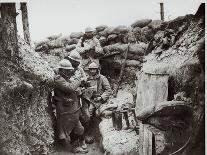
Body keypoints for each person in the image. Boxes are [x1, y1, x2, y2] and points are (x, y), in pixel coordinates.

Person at [53, 59, 88, 154]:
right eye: (68, 70)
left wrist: (78, 91)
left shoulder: (65, 78)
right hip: (65, 111)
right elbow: (70, 88)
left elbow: (72, 89)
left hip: (71, 109)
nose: (70, 72)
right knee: (75, 128)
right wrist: (78, 79)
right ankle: (75, 147)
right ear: (63, 70)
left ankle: (75, 144)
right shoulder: (58, 79)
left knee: (78, 128)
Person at [82, 62, 112, 144]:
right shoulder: (87, 78)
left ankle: (89, 133)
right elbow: (84, 89)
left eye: (94, 69)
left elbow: (109, 90)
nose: (92, 71)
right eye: (90, 69)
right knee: (81, 111)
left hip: (97, 100)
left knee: (89, 112)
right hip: (88, 98)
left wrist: (101, 97)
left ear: (97, 69)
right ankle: (80, 134)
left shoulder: (102, 78)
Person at [66, 50, 89, 150]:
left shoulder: (79, 69)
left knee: (85, 117)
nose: (78, 63)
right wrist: (77, 82)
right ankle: (74, 141)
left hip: (80, 97)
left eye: (78, 62)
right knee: (72, 120)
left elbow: (85, 78)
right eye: (76, 61)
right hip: (70, 98)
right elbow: (68, 84)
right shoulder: (66, 69)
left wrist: (80, 82)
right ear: (71, 60)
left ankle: (82, 139)